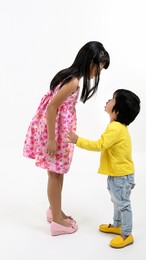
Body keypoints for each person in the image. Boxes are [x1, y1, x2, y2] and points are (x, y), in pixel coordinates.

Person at [23, 41, 110, 236]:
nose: (98, 73)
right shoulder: (73, 81)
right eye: (98, 68)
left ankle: (55, 210)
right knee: (55, 174)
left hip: (59, 132)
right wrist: (51, 140)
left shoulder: (71, 77)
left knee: (57, 172)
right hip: (55, 133)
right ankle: (57, 221)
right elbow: (52, 107)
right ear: (90, 61)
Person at [68, 89, 140, 248]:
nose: (108, 100)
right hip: (119, 174)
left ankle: (127, 234)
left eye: (113, 99)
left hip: (121, 176)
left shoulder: (115, 128)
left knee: (123, 204)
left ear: (118, 110)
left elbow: (99, 145)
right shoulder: (117, 126)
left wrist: (77, 140)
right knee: (117, 201)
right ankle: (116, 225)